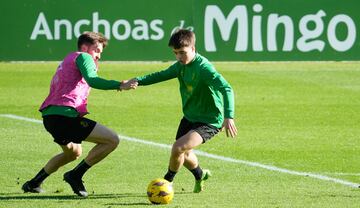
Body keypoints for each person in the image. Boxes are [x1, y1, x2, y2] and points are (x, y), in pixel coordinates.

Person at [21, 31, 137, 197]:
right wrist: (120, 85)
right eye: (96, 50)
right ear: (84, 47)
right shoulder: (83, 57)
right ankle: (75, 175)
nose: (98, 55)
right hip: (64, 117)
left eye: (100, 53)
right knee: (112, 140)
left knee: (73, 153)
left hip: (51, 117)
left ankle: (34, 183)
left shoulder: (69, 59)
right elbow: (93, 80)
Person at [130, 29, 237, 193]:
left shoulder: (204, 68)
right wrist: (138, 80)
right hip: (189, 117)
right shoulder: (180, 66)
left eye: (182, 52)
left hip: (209, 120)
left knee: (178, 148)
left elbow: (226, 88)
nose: (179, 56)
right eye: (175, 53)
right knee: (184, 154)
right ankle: (200, 175)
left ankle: (166, 183)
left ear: (193, 49)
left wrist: (229, 116)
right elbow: (160, 75)